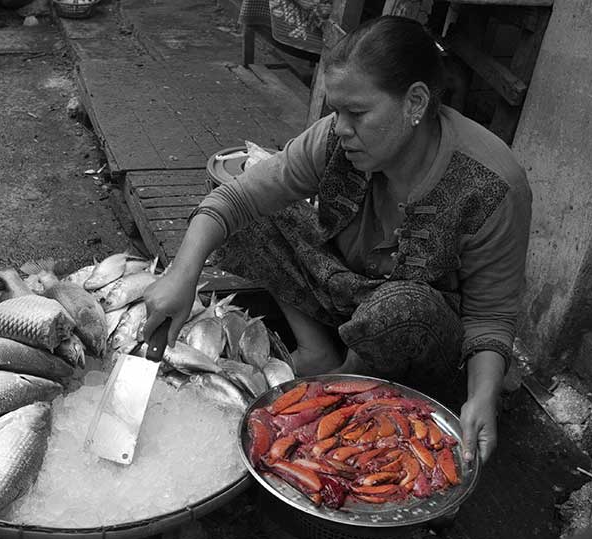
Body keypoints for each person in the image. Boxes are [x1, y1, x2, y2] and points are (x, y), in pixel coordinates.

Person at [140, 15, 532, 466]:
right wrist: (181, 274)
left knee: (401, 308)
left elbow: (491, 318)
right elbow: (237, 197)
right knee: (249, 206)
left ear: (415, 103)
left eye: (358, 113)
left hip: (421, 330)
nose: (341, 127)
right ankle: (320, 350)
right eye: (336, 111)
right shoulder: (335, 138)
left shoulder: (492, 185)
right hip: (348, 286)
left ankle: (335, 397)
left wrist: (482, 397)